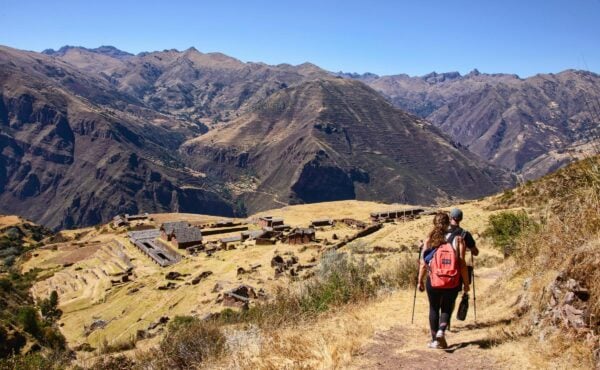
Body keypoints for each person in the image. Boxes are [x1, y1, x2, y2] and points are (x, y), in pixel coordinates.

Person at [418, 212, 470, 349]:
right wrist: (466, 283)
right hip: (453, 280)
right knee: (447, 306)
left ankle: (435, 340)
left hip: (434, 280)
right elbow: (462, 263)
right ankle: (442, 331)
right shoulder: (458, 239)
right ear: (449, 222)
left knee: (434, 308)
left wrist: (420, 281)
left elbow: (423, 263)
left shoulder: (430, 239)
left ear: (434, 223)